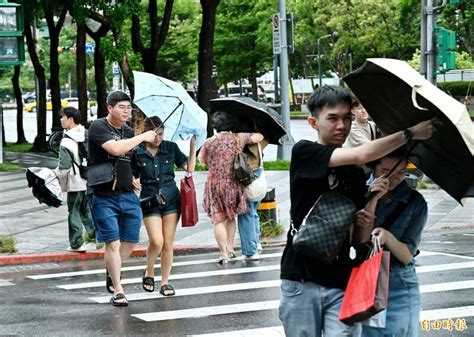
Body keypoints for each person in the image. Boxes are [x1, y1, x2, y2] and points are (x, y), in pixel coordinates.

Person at [278, 85, 437, 337]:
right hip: (301, 277)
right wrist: (411, 133)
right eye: (332, 118)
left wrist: (373, 199)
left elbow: (358, 238)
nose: (342, 125)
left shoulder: (355, 173)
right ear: (313, 122)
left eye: (347, 118)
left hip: (341, 279)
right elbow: (363, 152)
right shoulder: (305, 152)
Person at [87, 91, 156, 306]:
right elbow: (116, 149)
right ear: (110, 108)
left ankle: (112, 269)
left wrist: (134, 176)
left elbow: (128, 160)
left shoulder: (127, 131)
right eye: (122, 107)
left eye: (129, 107)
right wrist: (143, 136)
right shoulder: (98, 127)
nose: (127, 111)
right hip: (103, 194)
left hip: (127, 194)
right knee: (113, 242)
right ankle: (118, 290)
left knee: (131, 240)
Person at [362, 147, 427, 337]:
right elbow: (358, 238)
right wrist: (372, 199)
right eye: (385, 172)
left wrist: (387, 236)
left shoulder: (415, 202)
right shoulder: (360, 194)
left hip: (398, 281)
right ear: (373, 168)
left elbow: (407, 256)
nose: (393, 178)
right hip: (365, 279)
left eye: (400, 172)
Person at [131, 116, 196, 296]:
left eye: (161, 134)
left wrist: (192, 148)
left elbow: (189, 168)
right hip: (150, 199)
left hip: (171, 198)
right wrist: (132, 179)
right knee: (156, 241)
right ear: (146, 134)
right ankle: (149, 271)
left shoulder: (170, 148)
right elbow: (131, 173)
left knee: (168, 243)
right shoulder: (138, 152)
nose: (158, 138)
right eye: (155, 135)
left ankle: (165, 281)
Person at [198, 111, 263, 264]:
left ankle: (223, 254)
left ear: (215, 126)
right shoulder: (238, 138)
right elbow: (258, 138)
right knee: (231, 216)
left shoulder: (209, 142)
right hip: (233, 183)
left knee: (218, 219)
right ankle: (230, 247)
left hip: (214, 185)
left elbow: (202, 161)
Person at [54, 107, 95, 252]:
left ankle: (77, 243)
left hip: (75, 182)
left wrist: (54, 174)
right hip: (88, 179)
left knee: (74, 212)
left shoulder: (66, 141)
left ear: (70, 120)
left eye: (63, 117)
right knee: (86, 211)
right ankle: (99, 236)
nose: (61, 119)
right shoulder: (87, 134)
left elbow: (64, 168)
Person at [236, 118, 268, 260]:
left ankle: (250, 250)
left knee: (245, 214)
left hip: (247, 177)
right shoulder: (259, 136)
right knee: (253, 211)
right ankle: (256, 243)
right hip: (258, 177)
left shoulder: (242, 138)